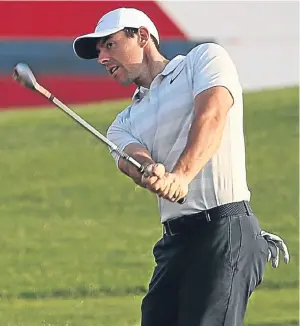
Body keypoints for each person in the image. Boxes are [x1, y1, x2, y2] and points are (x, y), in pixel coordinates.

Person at [73, 7, 290, 326]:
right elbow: (133, 160)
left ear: (142, 36)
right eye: (98, 51)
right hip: (175, 244)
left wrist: (181, 175)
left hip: (224, 231)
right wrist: (150, 172)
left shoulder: (204, 60)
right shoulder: (123, 123)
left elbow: (212, 116)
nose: (102, 58)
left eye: (110, 45)